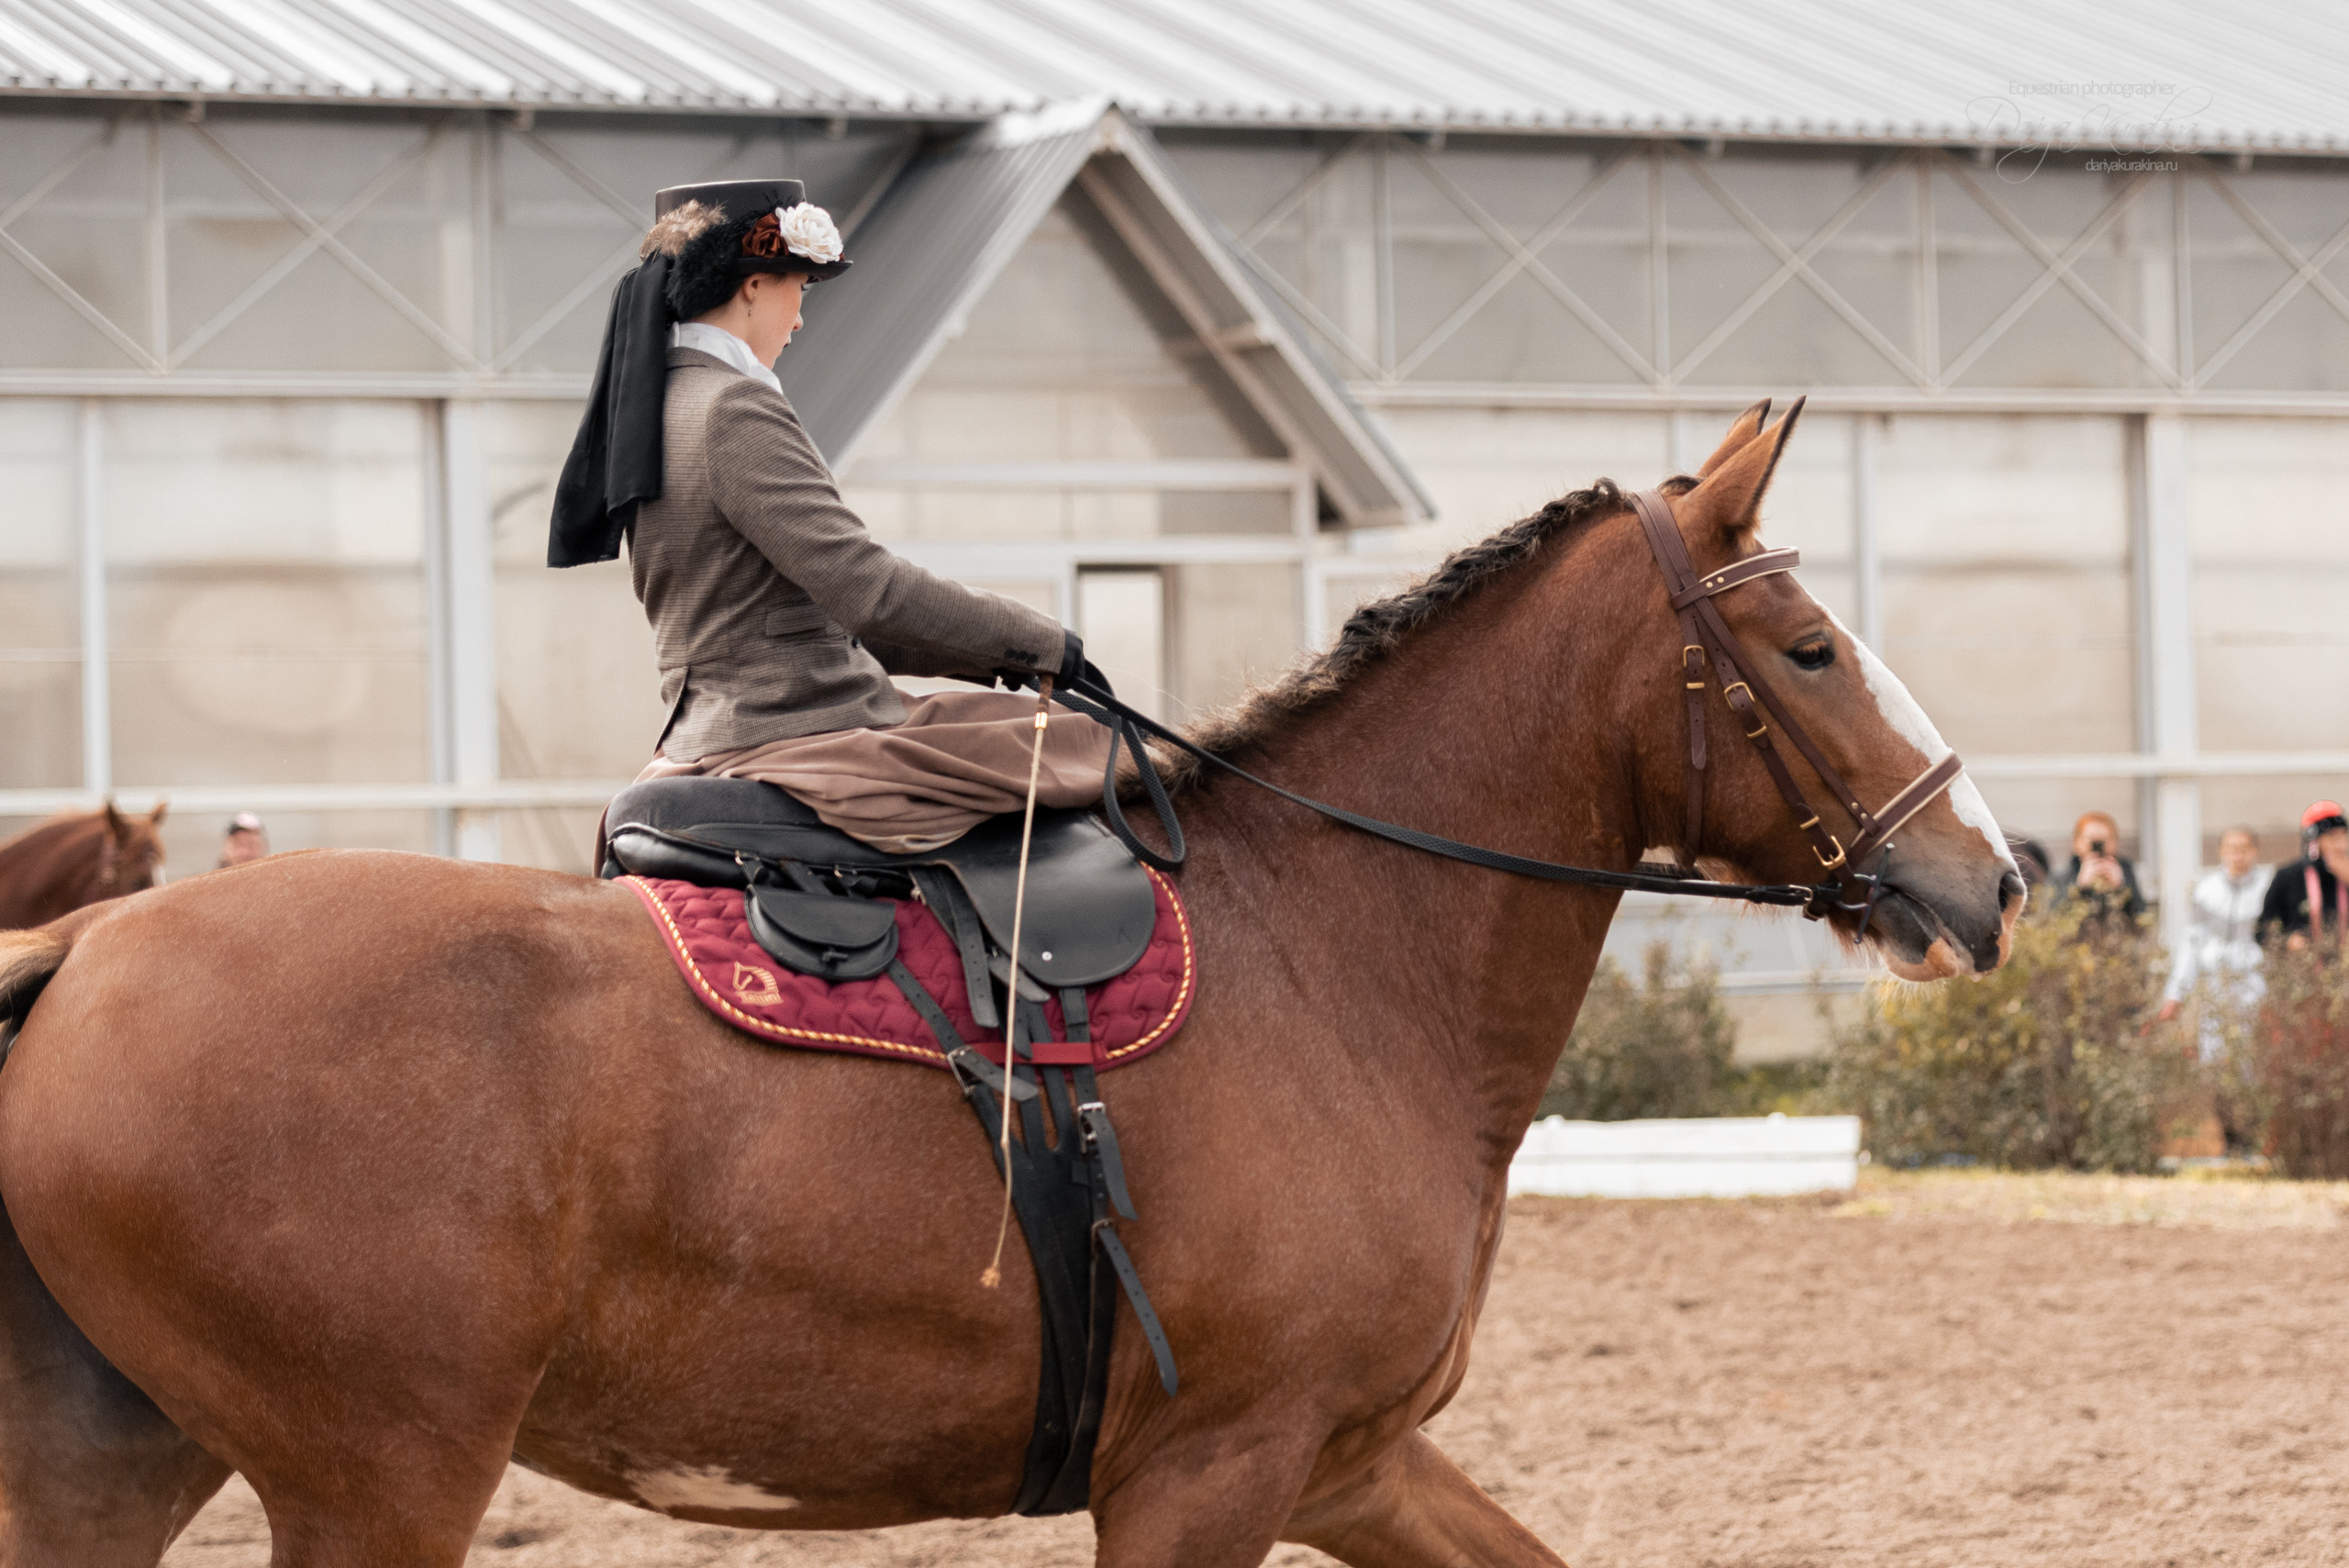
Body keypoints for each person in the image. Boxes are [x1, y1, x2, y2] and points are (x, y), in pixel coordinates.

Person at [549, 179, 1110, 853]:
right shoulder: (733, 408)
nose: (799, 320)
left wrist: (997, 659)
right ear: (754, 286)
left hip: (714, 724)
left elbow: (811, 612)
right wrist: (1043, 642)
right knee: (1096, 747)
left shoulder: (662, 401)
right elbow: (869, 591)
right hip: (795, 723)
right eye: (801, 290)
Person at [2157, 825, 2270, 1060]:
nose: (2238, 856)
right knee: (2214, 1052)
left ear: (2255, 851)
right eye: (2232, 849)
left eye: (2244, 849)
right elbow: (2192, 943)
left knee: (2251, 1054)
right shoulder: (2207, 890)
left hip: (2253, 983)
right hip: (2215, 984)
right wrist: (2176, 993)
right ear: (2221, 851)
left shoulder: (2267, 889)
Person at [2259, 801, 2349, 950]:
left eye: (2343, 836)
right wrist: (2287, 942)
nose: (2340, 845)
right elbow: (2262, 930)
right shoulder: (2289, 876)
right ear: (2314, 841)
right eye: (2332, 837)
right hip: (2304, 962)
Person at [2048, 810, 2146, 929]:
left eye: (2103, 841)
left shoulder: (2126, 871)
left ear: (2115, 842)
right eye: (2092, 841)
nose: (2098, 848)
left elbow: (2141, 920)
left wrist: (2121, 888)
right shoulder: (2062, 875)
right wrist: (2080, 888)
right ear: (2076, 842)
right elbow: (2053, 922)